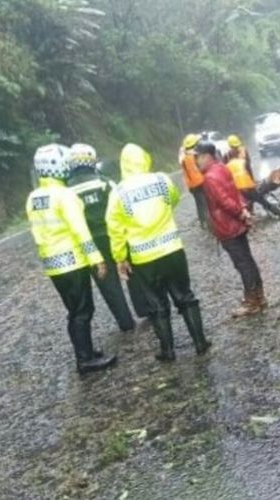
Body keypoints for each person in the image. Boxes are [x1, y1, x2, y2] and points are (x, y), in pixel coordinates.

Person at [106, 144, 210, 362]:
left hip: (144, 258)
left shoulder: (119, 192)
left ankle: (168, 350)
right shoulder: (161, 179)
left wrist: (120, 258)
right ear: (145, 159)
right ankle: (200, 342)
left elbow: (114, 228)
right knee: (185, 296)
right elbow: (173, 199)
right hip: (172, 249)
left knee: (157, 305)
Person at [26, 144, 117, 375]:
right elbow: (80, 230)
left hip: (53, 264)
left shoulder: (34, 198)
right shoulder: (65, 196)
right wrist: (97, 258)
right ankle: (85, 360)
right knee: (83, 310)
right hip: (73, 262)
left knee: (73, 310)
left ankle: (84, 351)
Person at [66, 143, 136, 333]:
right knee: (131, 272)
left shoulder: (67, 192)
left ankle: (126, 322)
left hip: (90, 245)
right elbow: (121, 207)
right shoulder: (105, 183)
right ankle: (145, 308)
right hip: (113, 236)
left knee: (109, 285)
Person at [195, 141, 267, 317]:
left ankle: (252, 302)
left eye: (198, 157)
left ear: (206, 156)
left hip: (227, 226)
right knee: (248, 260)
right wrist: (243, 212)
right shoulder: (221, 168)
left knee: (242, 264)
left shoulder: (209, 178)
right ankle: (259, 296)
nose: (197, 162)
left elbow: (225, 201)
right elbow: (234, 193)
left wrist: (240, 214)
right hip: (237, 224)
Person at [226, 134, 280, 219]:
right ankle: (277, 213)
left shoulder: (231, 157)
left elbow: (244, 169)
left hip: (241, 185)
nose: (235, 149)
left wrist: (251, 181)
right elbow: (243, 170)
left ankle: (250, 217)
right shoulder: (234, 157)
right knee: (257, 200)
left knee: (251, 201)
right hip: (243, 185)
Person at [180, 134, 209, 228]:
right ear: (195, 144)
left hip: (192, 186)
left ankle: (202, 222)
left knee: (199, 204)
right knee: (206, 203)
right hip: (201, 182)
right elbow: (202, 168)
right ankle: (209, 223)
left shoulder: (184, 158)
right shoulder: (196, 155)